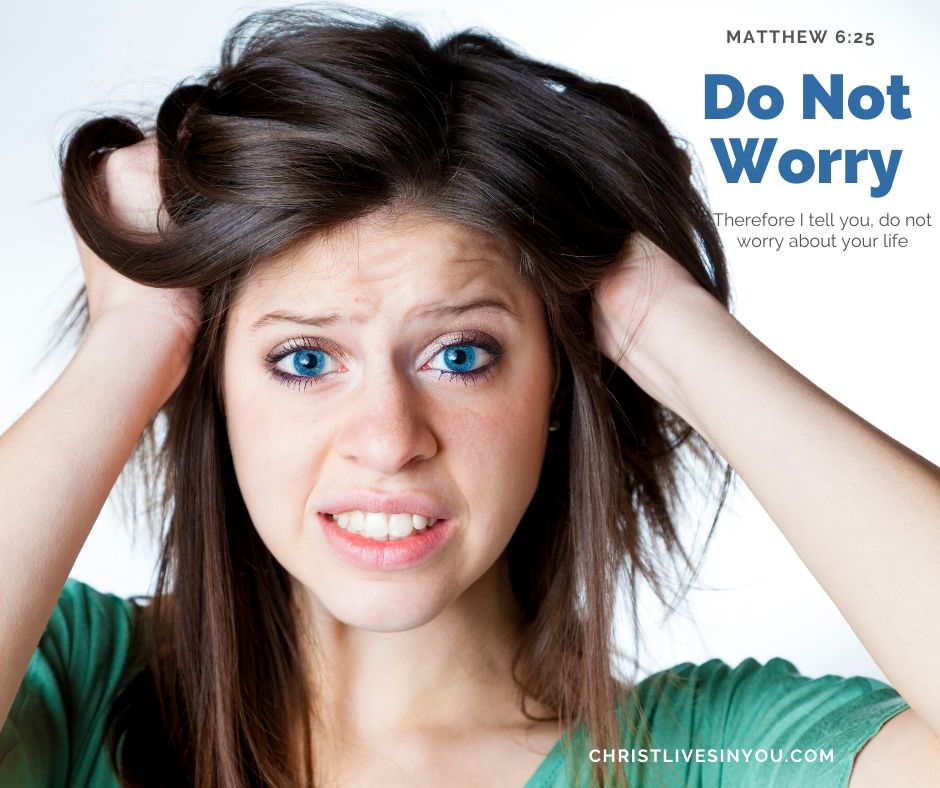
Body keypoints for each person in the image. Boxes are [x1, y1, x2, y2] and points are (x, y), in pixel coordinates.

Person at [1, 5, 939, 787]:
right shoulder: (81, 688)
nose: (388, 439)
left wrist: (659, 320)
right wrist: (132, 338)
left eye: (459, 355)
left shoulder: (697, 758)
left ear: (555, 387)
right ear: (218, 393)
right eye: (303, 360)